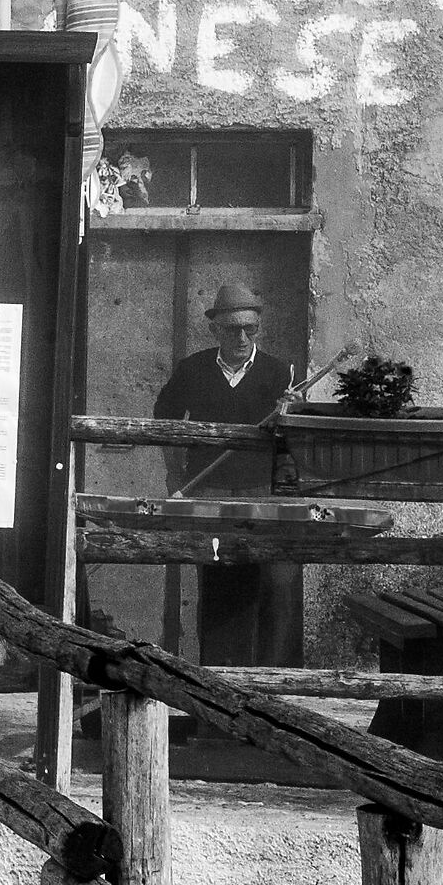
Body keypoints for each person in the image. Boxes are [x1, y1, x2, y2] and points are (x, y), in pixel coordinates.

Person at [152, 284, 295, 666]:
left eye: (250, 328)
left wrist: (291, 414)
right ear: (214, 329)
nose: (242, 338)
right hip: (208, 491)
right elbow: (163, 420)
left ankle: (269, 681)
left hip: (261, 493)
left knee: (270, 583)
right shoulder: (192, 370)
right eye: (233, 329)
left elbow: (293, 441)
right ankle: (217, 675)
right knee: (217, 582)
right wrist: (175, 474)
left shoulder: (279, 373)